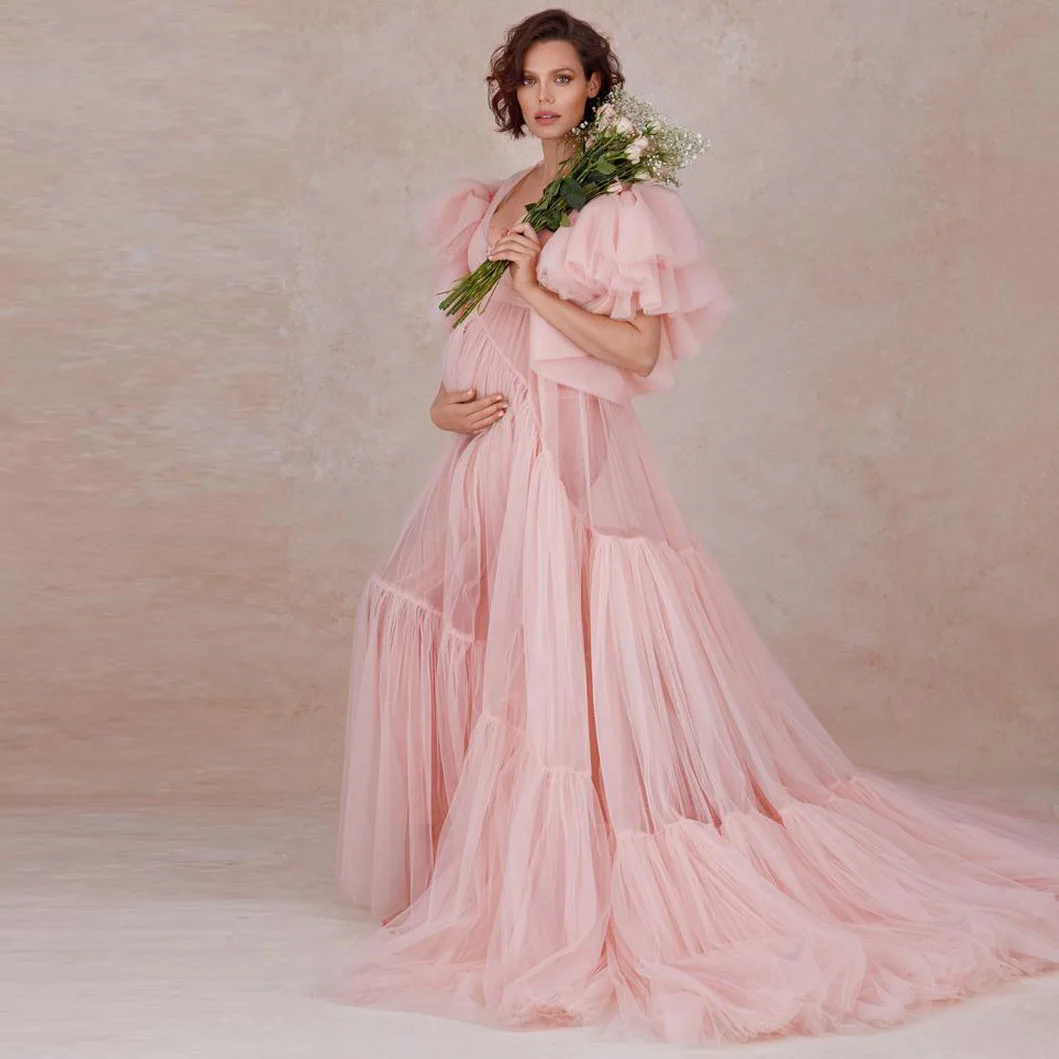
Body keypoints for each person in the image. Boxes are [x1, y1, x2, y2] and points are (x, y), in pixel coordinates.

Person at [330, 7, 1059, 1047]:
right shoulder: (491, 198)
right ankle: (479, 863)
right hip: (484, 457)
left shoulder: (619, 203)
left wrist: (533, 286)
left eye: (562, 78)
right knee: (471, 633)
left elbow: (635, 351)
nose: (544, 96)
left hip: (562, 456)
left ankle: (562, 878)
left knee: (561, 657)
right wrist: (442, 409)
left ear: (595, 87)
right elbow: (477, 334)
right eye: (529, 80)